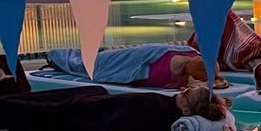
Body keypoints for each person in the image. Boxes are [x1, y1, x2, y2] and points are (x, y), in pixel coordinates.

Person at [0, 79, 228, 131]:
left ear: (186, 108)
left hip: (77, 114)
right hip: (95, 104)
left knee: (22, 104)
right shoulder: (163, 106)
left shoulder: (155, 110)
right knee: (96, 89)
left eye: (187, 91)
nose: (184, 88)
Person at [43, 44, 224, 89]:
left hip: (143, 57)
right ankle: (57, 56)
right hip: (132, 59)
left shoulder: (193, 55)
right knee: (93, 64)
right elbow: (135, 70)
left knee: (95, 60)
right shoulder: (166, 70)